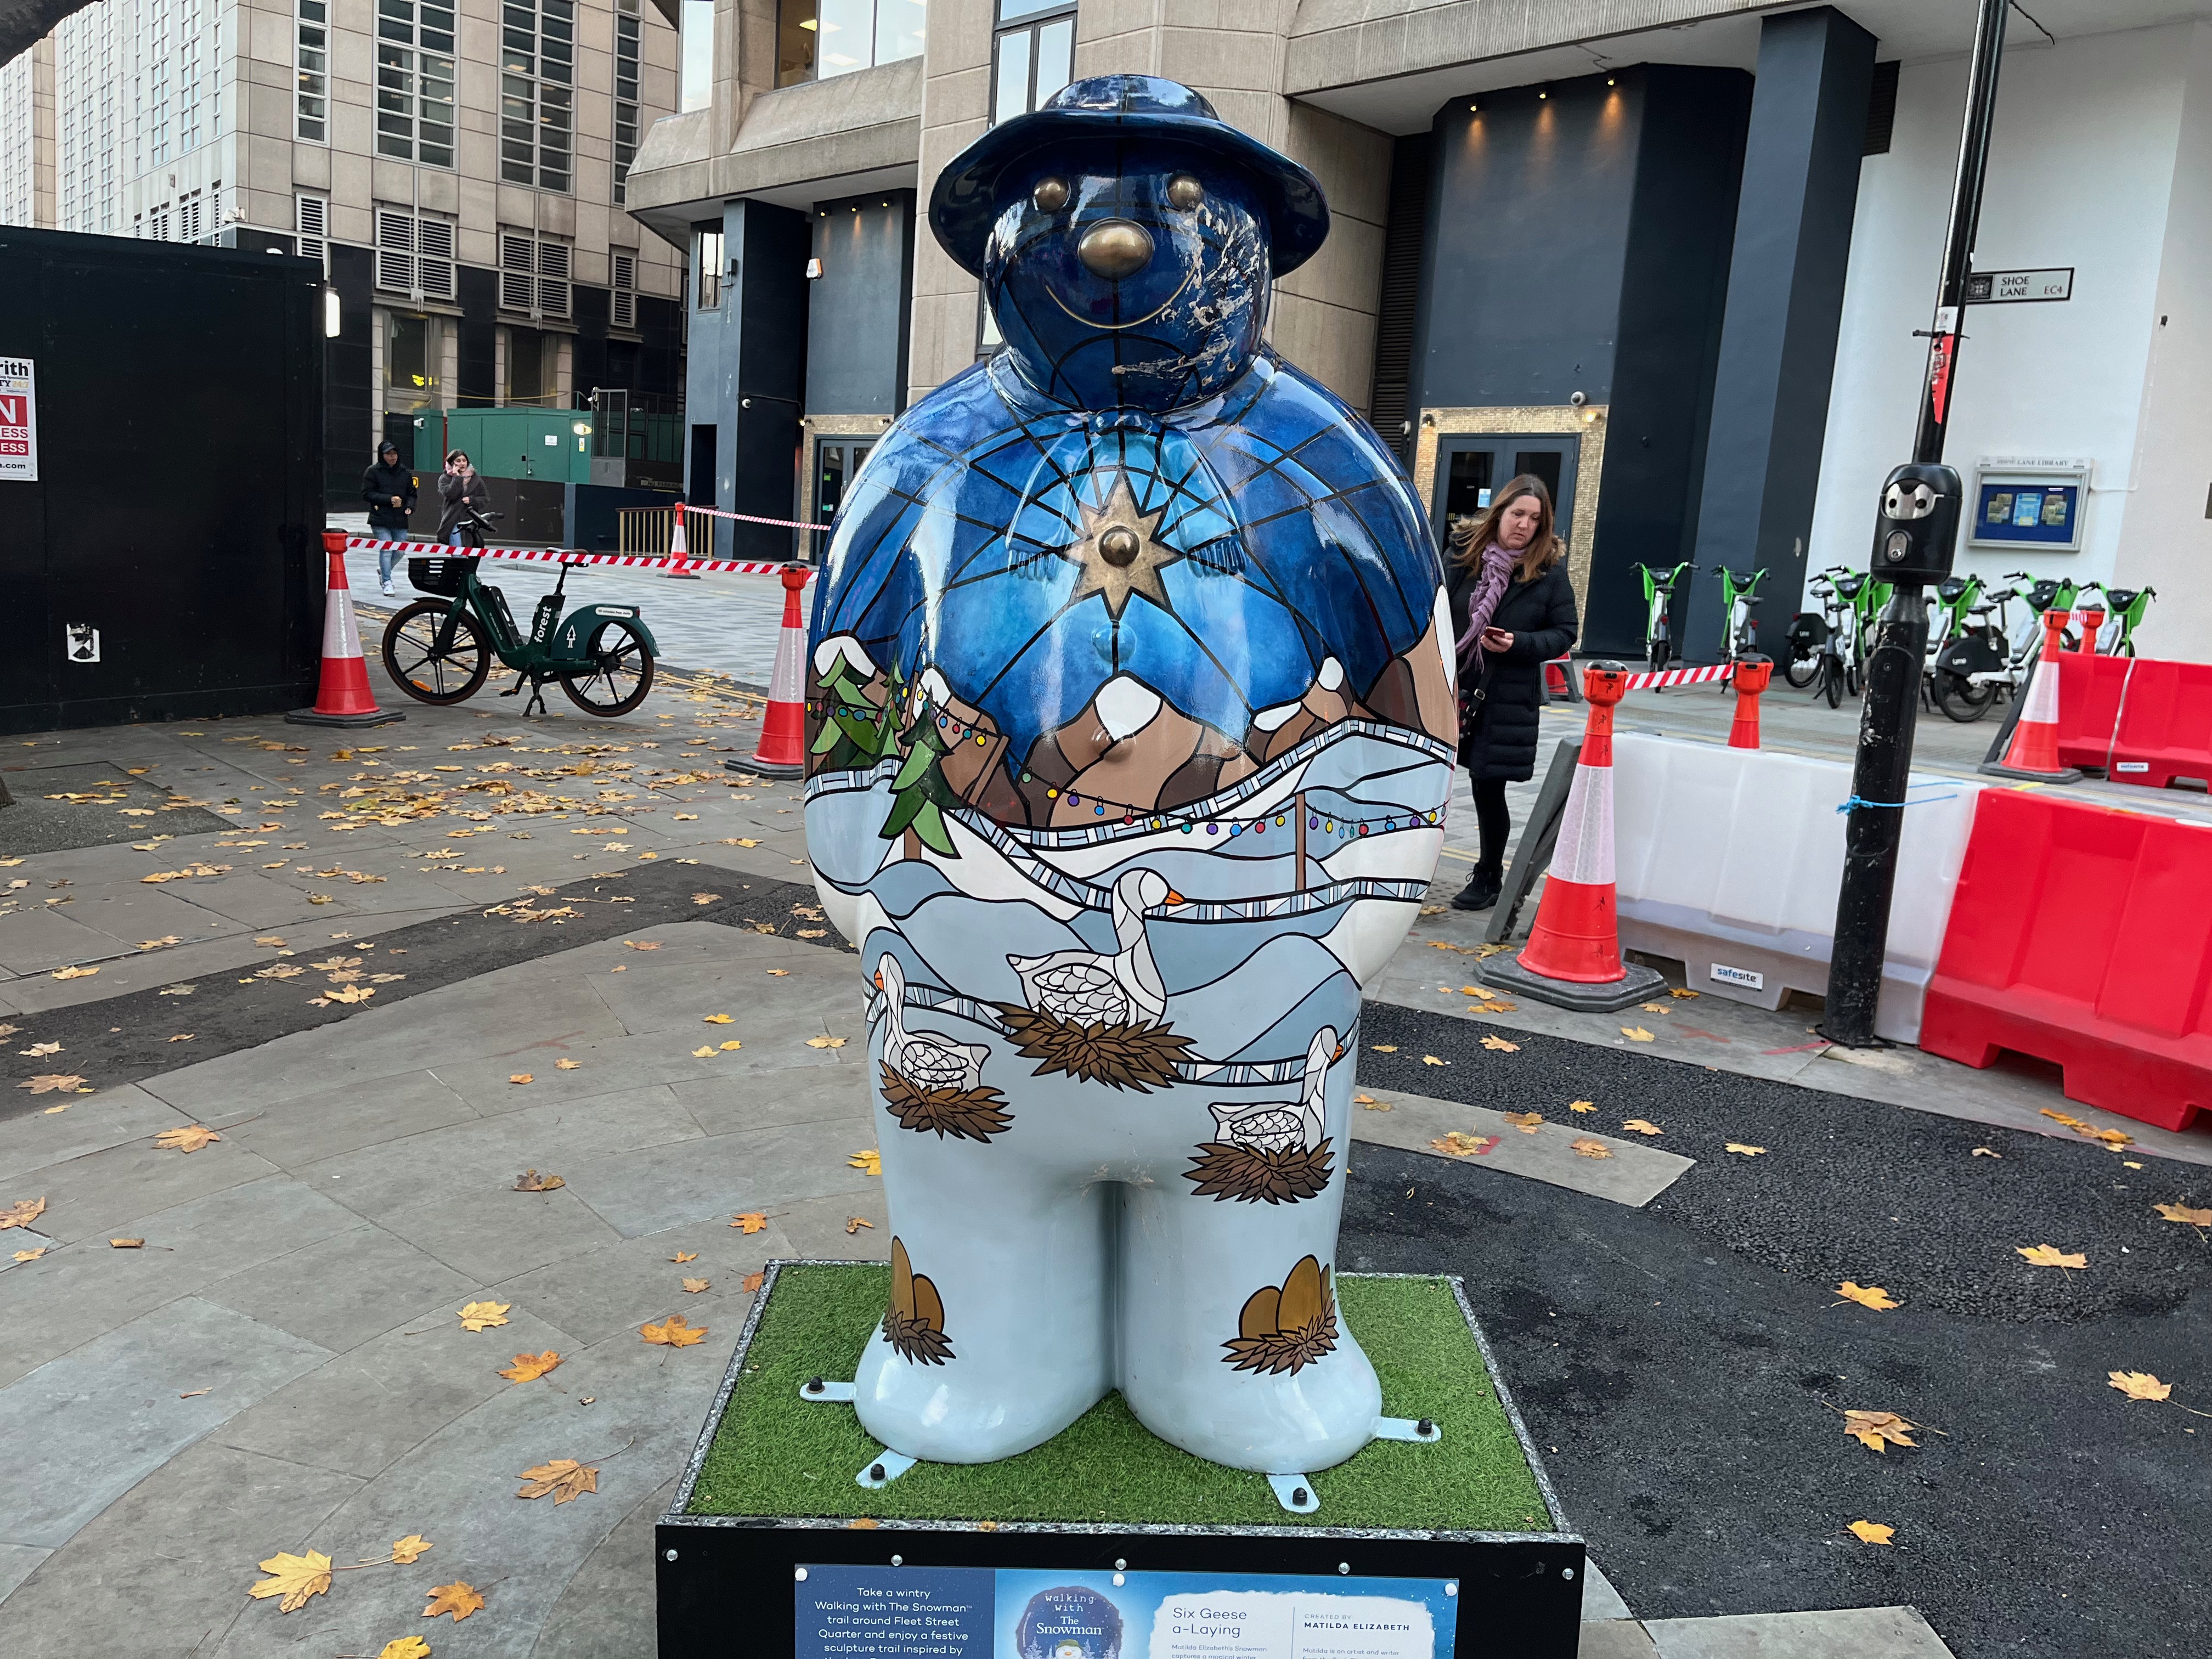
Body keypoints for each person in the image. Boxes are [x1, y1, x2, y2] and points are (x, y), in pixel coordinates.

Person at [1446, 475, 1579, 911]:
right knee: (1430, 779)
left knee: (1488, 788)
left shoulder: (1548, 574)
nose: (1524, 525)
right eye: (1518, 514)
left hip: (1504, 695)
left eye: (1535, 519)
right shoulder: (1462, 559)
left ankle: (1488, 875)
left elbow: (1565, 633)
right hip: (1452, 686)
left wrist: (1519, 643)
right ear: (1500, 512)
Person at [359, 441, 417, 596]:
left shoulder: (405, 473)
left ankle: (384, 569)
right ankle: (387, 580)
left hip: (399, 518)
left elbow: (412, 494)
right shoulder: (373, 472)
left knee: (400, 550)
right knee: (386, 548)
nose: (392, 457)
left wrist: (410, 507)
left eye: (394, 454)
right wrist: (389, 499)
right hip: (380, 517)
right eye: (388, 454)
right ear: (382, 456)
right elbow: (367, 494)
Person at [437, 449, 492, 548]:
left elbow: (485, 498)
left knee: (470, 552)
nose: (462, 463)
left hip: (470, 521)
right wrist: (457, 477)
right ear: (452, 463)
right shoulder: (445, 478)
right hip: (453, 520)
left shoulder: (476, 479)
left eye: (464, 460)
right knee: (458, 552)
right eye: (458, 461)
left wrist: (472, 500)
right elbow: (451, 494)